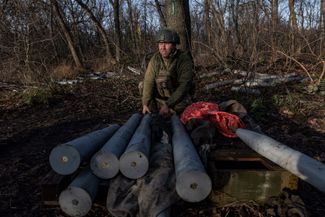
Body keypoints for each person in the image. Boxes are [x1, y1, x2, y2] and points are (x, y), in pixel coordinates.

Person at [141, 28, 194, 117]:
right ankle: (156, 109)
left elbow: (185, 85)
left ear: (174, 45)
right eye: (161, 44)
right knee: (142, 85)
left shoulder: (183, 59)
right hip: (161, 98)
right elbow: (148, 81)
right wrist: (145, 103)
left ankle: (169, 111)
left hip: (178, 98)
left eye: (167, 44)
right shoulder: (155, 59)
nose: (163, 47)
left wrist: (168, 104)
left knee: (182, 109)